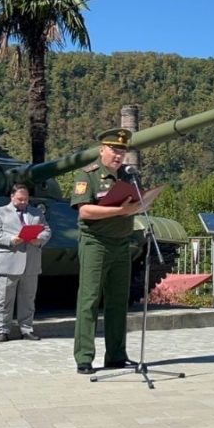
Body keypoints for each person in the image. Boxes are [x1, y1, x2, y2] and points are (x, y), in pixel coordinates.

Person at [71, 128, 142, 375]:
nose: (118, 155)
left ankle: (116, 355)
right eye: (114, 149)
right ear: (102, 149)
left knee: (118, 301)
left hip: (122, 244)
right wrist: (119, 211)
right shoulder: (87, 176)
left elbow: (135, 205)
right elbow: (85, 211)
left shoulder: (129, 177)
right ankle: (84, 357)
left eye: (122, 150)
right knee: (89, 300)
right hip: (95, 242)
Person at [0, 184, 52, 342]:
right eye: (20, 199)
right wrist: (11, 239)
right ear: (12, 197)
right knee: (4, 298)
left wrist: (40, 240)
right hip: (8, 260)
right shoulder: (0, 212)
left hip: (31, 261)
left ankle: (27, 329)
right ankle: (3, 330)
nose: (23, 202)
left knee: (28, 298)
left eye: (26, 199)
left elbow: (47, 230)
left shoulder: (36, 212)